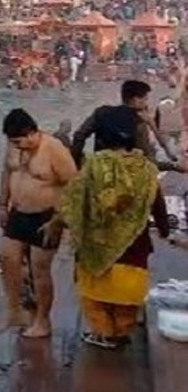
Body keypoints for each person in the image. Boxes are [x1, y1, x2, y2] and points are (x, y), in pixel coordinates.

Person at [59, 106, 183, 349]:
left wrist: (67, 227)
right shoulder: (146, 169)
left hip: (96, 246)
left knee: (96, 297)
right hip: (135, 246)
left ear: (102, 136)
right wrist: (165, 230)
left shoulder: (93, 166)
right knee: (126, 297)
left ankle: (104, 334)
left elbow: (75, 202)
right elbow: (157, 204)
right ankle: (122, 331)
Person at [0, 108, 77, 338]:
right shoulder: (13, 147)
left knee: (40, 271)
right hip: (18, 212)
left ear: (32, 133)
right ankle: (16, 311)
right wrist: (2, 205)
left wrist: (59, 220)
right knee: (8, 257)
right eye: (12, 142)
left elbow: (73, 186)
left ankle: (43, 321)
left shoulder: (54, 149)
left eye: (19, 141)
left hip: (46, 216)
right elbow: (5, 174)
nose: (17, 146)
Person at [72, 79, 184, 172]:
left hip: (100, 172)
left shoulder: (100, 112)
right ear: (136, 100)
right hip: (128, 180)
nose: (147, 103)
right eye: (145, 99)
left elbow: (79, 136)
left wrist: (77, 162)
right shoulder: (139, 123)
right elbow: (149, 163)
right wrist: (173, 166)